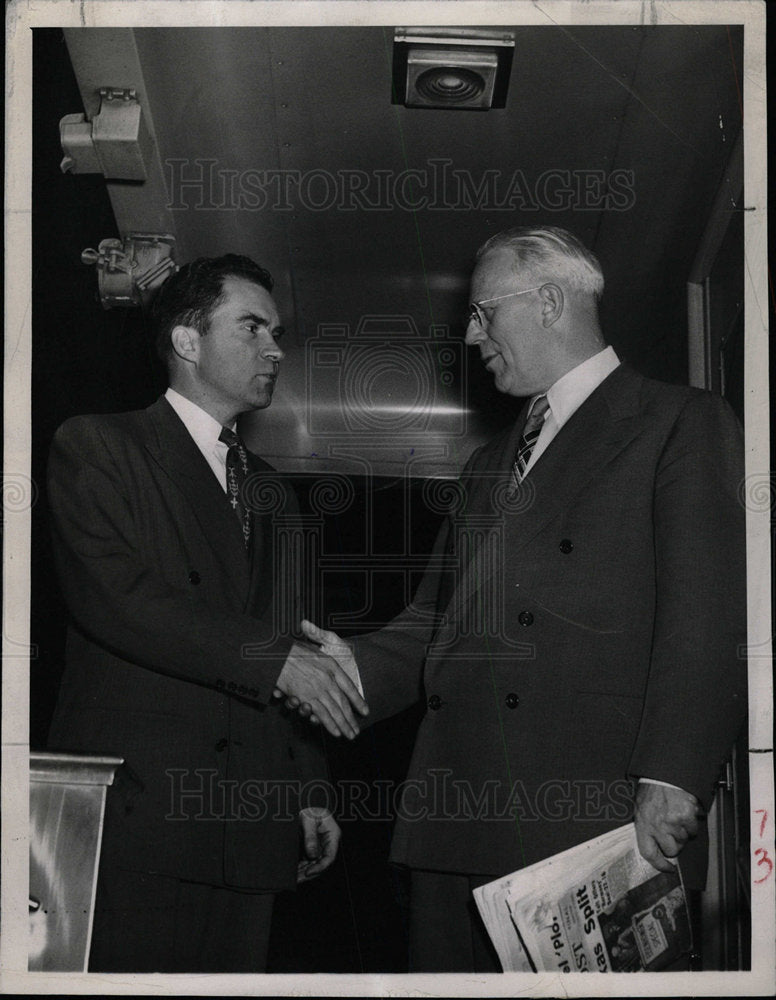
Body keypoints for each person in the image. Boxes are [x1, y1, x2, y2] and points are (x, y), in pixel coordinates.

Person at [290, 227, 748, 971]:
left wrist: (672, 775)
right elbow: (437, 624)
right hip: (456, 824)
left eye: (482, 313)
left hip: (594, 824)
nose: (472, 337)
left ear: (548, 301)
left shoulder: (679, 424)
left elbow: (712, 617)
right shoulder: (485, 465)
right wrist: (353, 667)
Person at [45, 254, 368, 972]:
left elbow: (301, 648)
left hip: (253, 826)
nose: (275, 349)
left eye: (277, 332)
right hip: (139, 818)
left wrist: (310, 790)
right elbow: (117, 598)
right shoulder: (99, 446)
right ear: (187, 342)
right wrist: (273, 659)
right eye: (251, 327)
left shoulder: (277, 495)